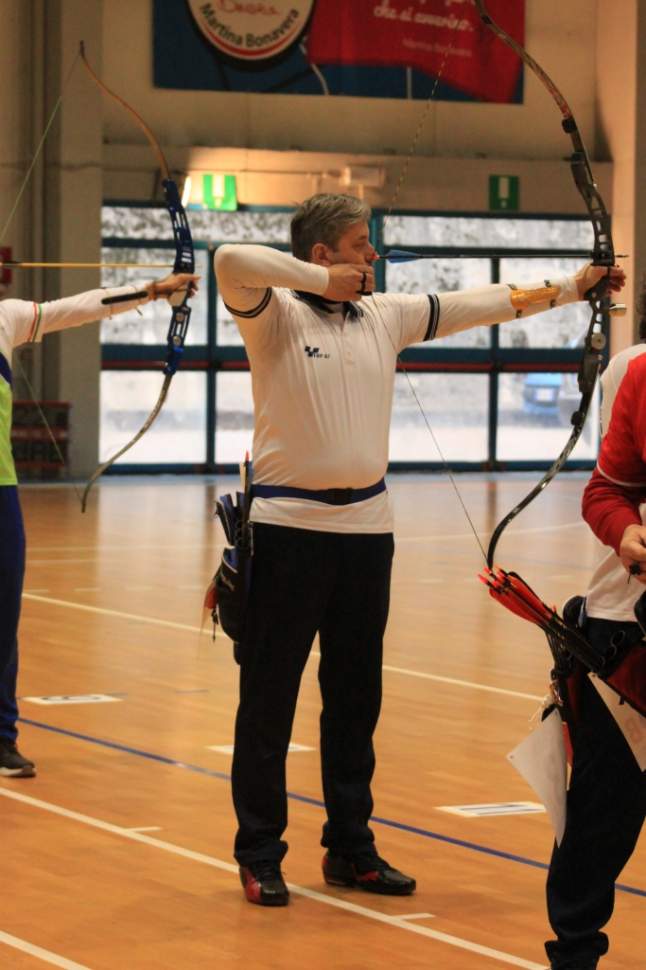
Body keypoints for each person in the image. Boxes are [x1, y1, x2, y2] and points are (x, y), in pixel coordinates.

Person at [214, 192, 626, 907]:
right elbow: (229, 259)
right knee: (268, 700)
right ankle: (259, 851)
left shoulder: (386, 315)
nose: (372, 257)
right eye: (359, 245)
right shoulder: (274, 315)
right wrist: (317, 286)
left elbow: (483, 302)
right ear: (322, 257)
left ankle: (350, 847)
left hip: (367, 536)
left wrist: (572, 286)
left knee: (355, 700)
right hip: (287, 534)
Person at [0, 270, 199, 777]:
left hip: (1, 492)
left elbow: (79, 307)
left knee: (3, 617)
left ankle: (1, 737)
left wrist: (152, 291)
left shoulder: (5, 319)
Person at [544, 292, 646, 970]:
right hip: (628, 634)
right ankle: (576, 953)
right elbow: (604, 491)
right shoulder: (639, 373)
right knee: (603, 818)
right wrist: (629, 533)